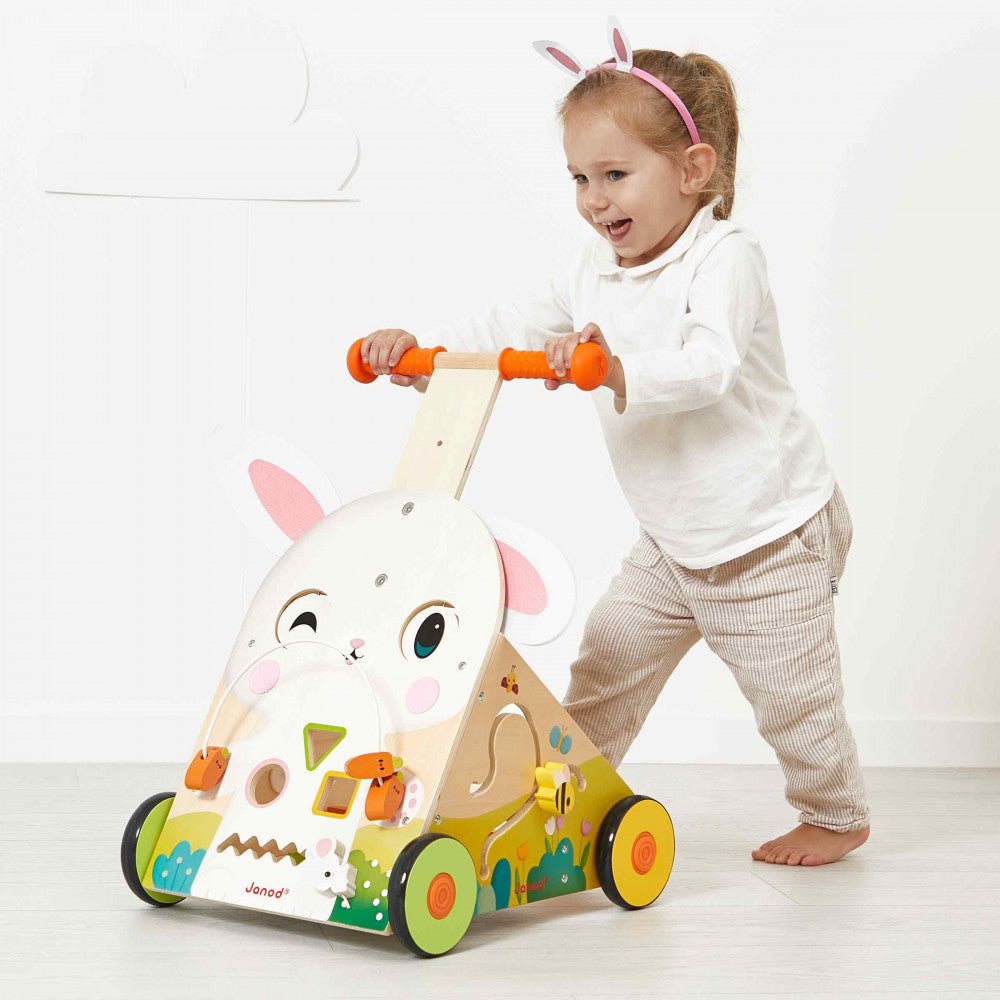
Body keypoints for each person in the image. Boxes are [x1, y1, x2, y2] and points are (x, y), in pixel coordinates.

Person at [360, 17, 869, 866]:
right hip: (672, 542)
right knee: (606, 666)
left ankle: (835, 811)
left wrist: (613, 369)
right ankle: (557, 804)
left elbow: (708, 365)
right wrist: (423, 355)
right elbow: (507, 328)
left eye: (615, 175)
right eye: (579, 178)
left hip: (768, 536)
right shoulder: (588, 272)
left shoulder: (725, 258)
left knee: (793, 699)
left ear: (693, 170)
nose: (594, 200)